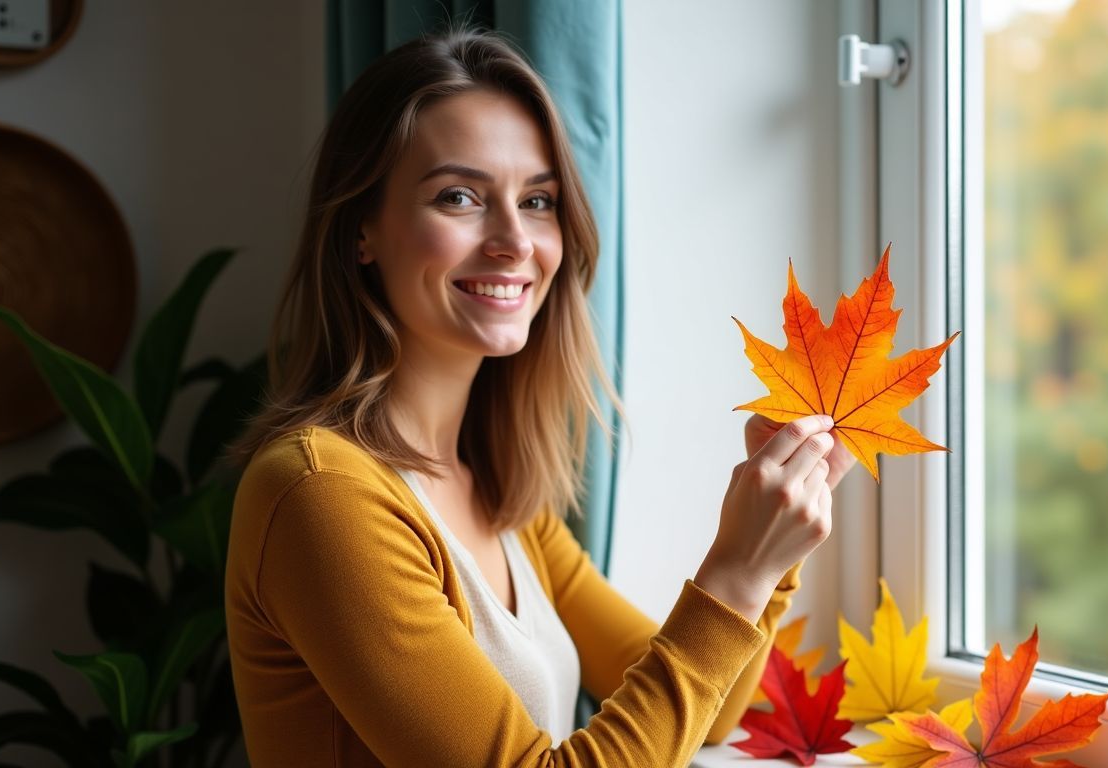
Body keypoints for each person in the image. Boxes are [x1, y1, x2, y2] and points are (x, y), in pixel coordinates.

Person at [225, 28, 854, 767]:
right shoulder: (319, 495)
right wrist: (736, 570)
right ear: (363, 229)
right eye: (459, 196)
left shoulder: (502, 498)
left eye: (538, 200)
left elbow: (708, 714)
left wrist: (771, 553)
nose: (515, 241)